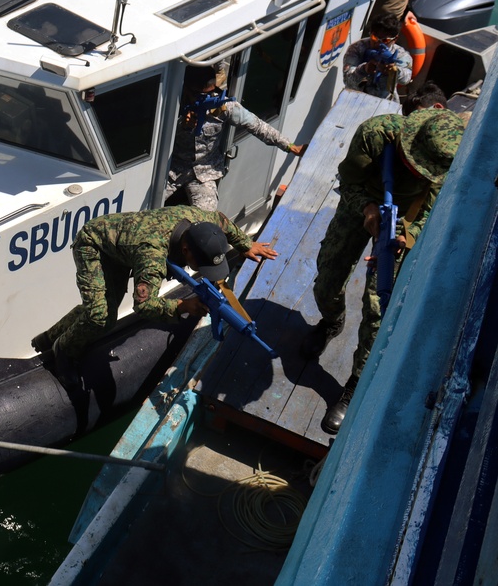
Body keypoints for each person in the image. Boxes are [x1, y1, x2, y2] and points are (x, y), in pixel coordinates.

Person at [299, 108, 464, 434]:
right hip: (362, 201)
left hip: (403, 218)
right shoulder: (375, 134)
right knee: (328, 276)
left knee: (378, 306)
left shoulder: (450, 162)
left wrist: (409, 235)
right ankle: (332, 322)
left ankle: (355, 384)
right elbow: (348, 179)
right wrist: (367, 207)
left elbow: (432, 205)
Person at [32, 206, 279, 376]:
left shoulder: (202, 222)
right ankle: (63, 350)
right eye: (200, 264)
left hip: (124, 247)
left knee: (101, 307)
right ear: (185, 251)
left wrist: (246, 245)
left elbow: (222, 220)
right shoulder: (152, 256)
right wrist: (182, 306)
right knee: (101, 317)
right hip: (96, 245)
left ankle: (47, 337)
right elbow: (143, 304)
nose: (202, 271)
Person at [164, 65, 304, 211]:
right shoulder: (173, 105)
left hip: (205, 171)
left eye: (210, 93)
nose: (207, 98)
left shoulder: (223, 106)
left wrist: (288, 145)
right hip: (173, 168)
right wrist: (180, 125)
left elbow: (258, 126)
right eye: (199, 95)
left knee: (207, 217)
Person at [343, 13, 413, 101]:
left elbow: (406, 79)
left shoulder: (401, 54)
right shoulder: (356, 48)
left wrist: (394, 70)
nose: (378, 43)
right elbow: (348, 81)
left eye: (385, 40)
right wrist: (363, 69)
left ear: (395, 39)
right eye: (374, 38)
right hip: (355, 98)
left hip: (385, 101)